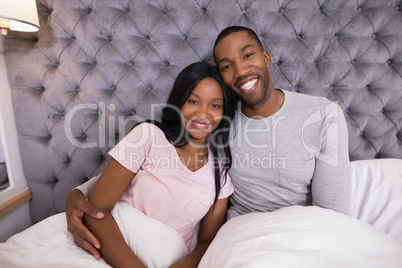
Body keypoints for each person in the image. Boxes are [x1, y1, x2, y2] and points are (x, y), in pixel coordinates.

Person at [67, 26, 351, 259]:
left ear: (266, 57)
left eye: (248, 55)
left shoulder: (323, 115)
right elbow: (145, 163)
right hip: (240, 236)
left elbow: (332, 215)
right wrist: (78, 195)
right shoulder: (222, 122)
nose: (241, 71)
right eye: (227, 66)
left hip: (300, 232)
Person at [68, 61, 236, 267]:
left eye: (215, 105)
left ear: (224, 112)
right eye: (193, 101)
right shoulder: (148, 136)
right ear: (179, 102)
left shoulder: (220, 174)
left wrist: (185, 265)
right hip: (112, 250)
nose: (203, 113)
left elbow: (208, 241)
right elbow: (95, 211)